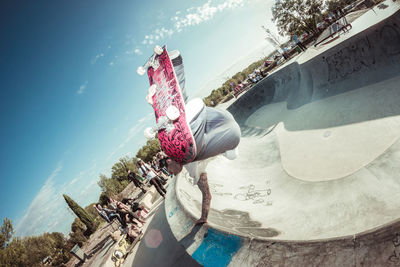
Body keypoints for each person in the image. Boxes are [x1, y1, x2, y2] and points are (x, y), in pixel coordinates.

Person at [161, 50, 241, 225]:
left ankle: (176, 62)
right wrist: (204, 217)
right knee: (196, 147)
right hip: (228, 135)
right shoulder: (197, 174)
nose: (172, 175)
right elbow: (207, 194)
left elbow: (182, 109)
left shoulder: (175, 148)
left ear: (168, 162)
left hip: (217, 119)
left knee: (184, 112)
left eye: (170, 171)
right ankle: (232, 150)